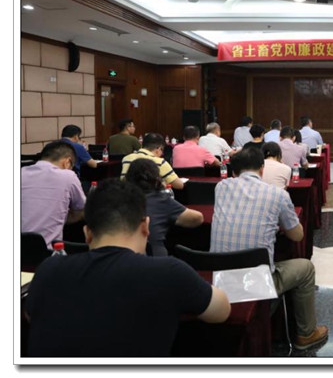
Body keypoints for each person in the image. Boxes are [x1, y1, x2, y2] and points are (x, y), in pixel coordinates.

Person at [25, 179, 230, 357]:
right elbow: (221, 311)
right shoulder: (169, 272)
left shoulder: (48, 269)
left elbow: (30, 315)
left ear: (87, 233)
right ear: (145, 226)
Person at [211, 148, 328, 350]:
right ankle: (306, 334)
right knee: (306, 268)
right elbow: (297, 235)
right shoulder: (278, 194)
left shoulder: (220, 188)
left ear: (233, 172)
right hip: (257, 282)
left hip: (221, 279)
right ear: (262, 169)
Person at [125, 159, 204, 256]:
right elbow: (197, 218)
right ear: (157, 178)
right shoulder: (160, 199)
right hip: (155, 259)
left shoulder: (120, 199)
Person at [21, 141, 86, 248]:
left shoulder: (21, 172)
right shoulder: (68, 176)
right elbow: (82, 209)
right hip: (49, 252)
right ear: (68, 162)